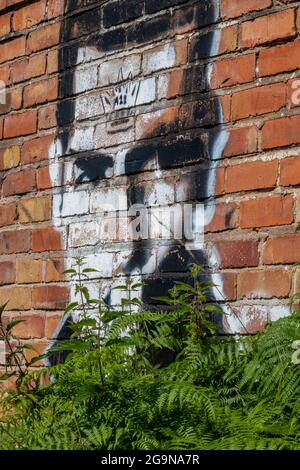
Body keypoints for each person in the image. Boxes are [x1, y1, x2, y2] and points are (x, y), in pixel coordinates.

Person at [48, 0, 229, 353]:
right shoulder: (49, 387)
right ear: (59, 186)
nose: (132, 239)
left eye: (158, 165)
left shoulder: (225, 381)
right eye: (92, 176)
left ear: (201, 181)